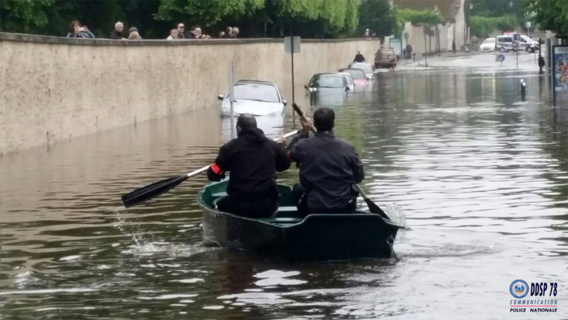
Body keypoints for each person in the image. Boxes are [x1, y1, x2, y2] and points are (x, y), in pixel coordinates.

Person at [207, 114, 291, 218]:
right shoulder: (272, 146)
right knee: (273, 203)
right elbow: (284, 165)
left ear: (239, 128)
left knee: (215, 205)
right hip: (267, 205)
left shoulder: (229, 148)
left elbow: (214, 175)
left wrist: (212, 169)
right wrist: (281, 148)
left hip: (239, 204)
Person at [285, 107, 364, 215]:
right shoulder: (347, 148)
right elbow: (359, 177)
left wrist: (303, 132)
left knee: (297, 189)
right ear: (333, 123)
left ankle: (303, 221)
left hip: (314, 206)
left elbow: (287, 155)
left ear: (315, 124)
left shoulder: (303, 146)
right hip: (343, 205)